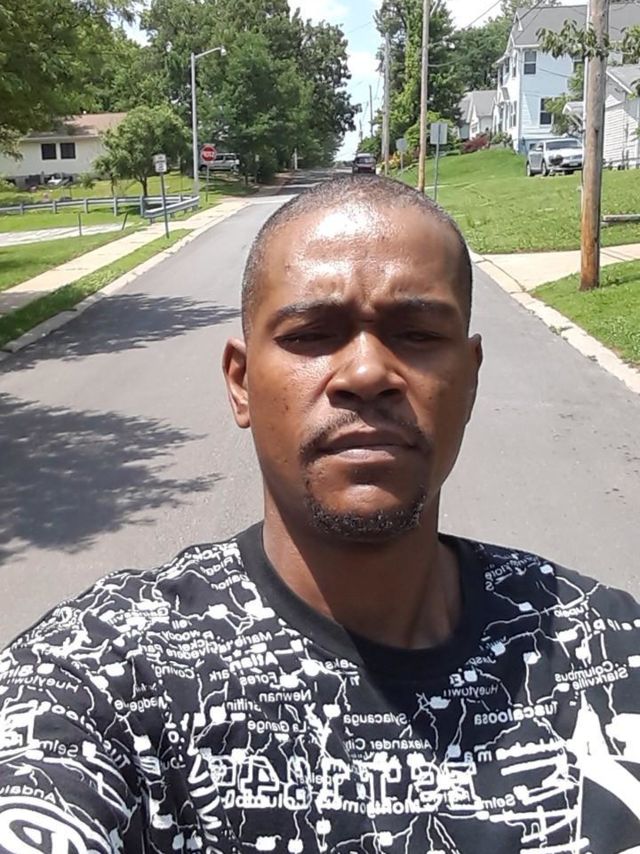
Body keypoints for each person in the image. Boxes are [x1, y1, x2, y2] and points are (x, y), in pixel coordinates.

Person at [0, 176, 639, 853]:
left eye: (417, 333)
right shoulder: (101, 677)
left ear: (472, 378)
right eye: (311, 335)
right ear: (241, 383)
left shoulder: (609, 650)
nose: (366, 374)